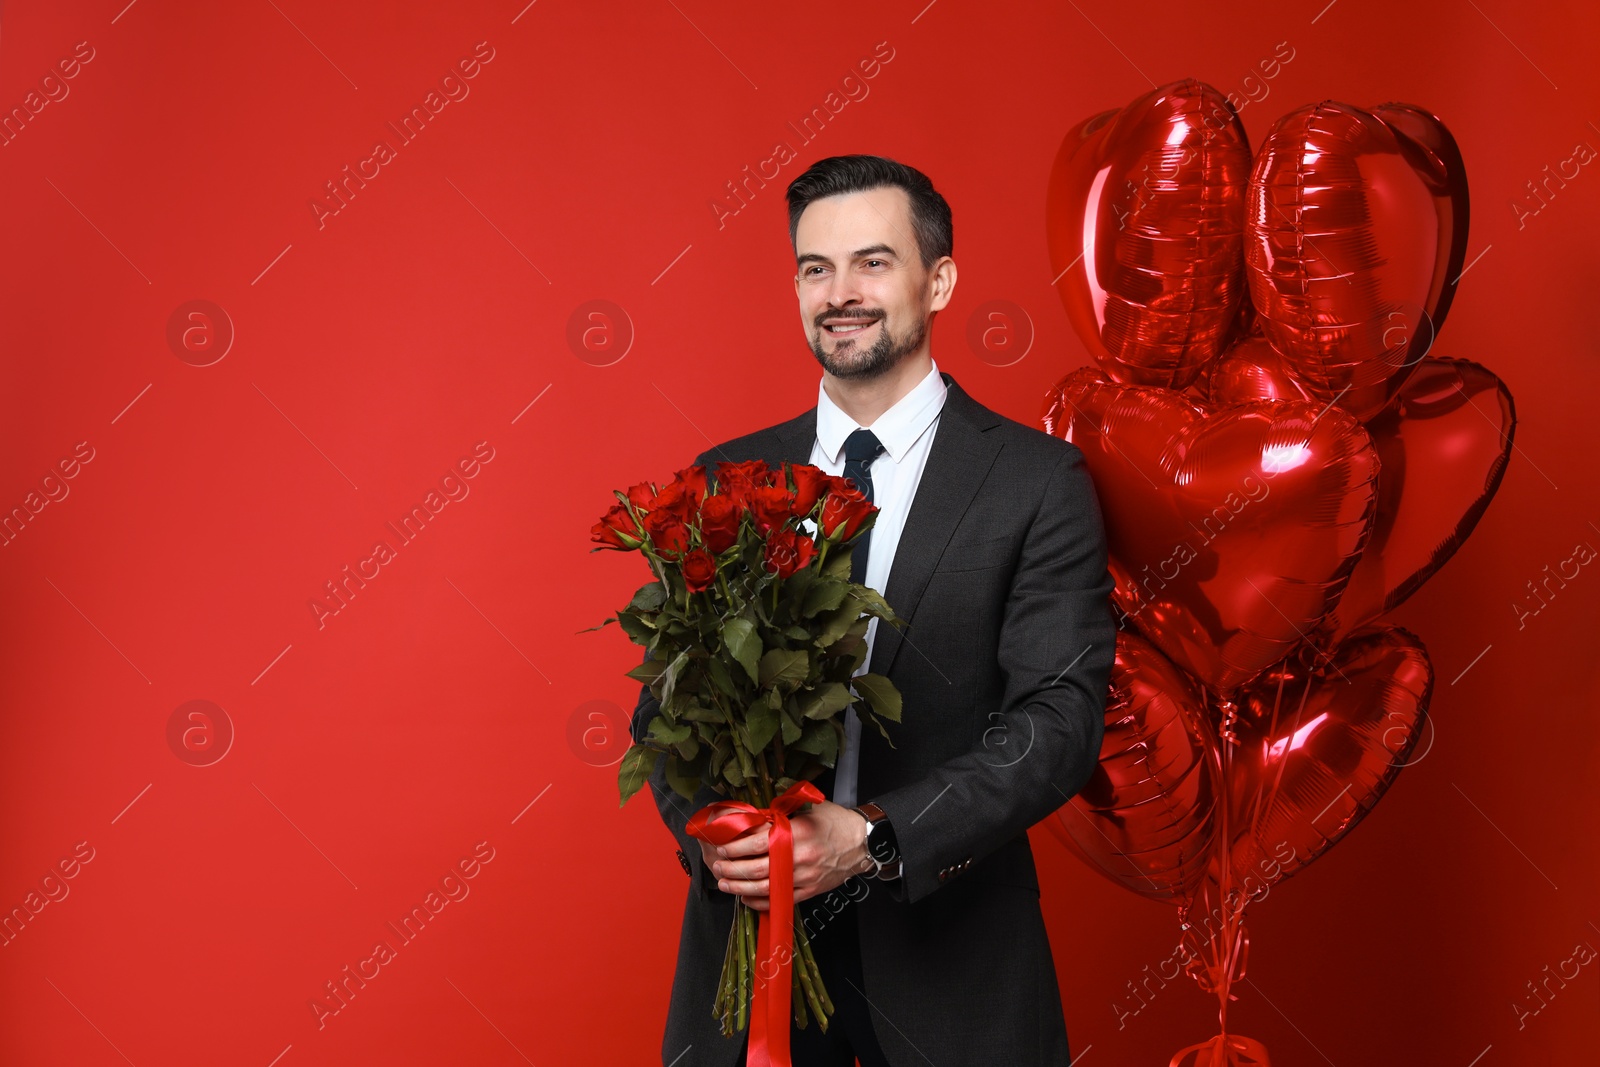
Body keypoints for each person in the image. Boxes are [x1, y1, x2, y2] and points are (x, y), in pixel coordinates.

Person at [631, 154, 1116, 1066]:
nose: (840, 293)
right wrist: (718, 843)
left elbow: (1058, 722)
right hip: (749, 969)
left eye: (872, 262)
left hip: (955, 964)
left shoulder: (1034, 483)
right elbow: (665, 709)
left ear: (939, 281)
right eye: (816, 268)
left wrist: (874, 837)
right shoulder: (723, 479)